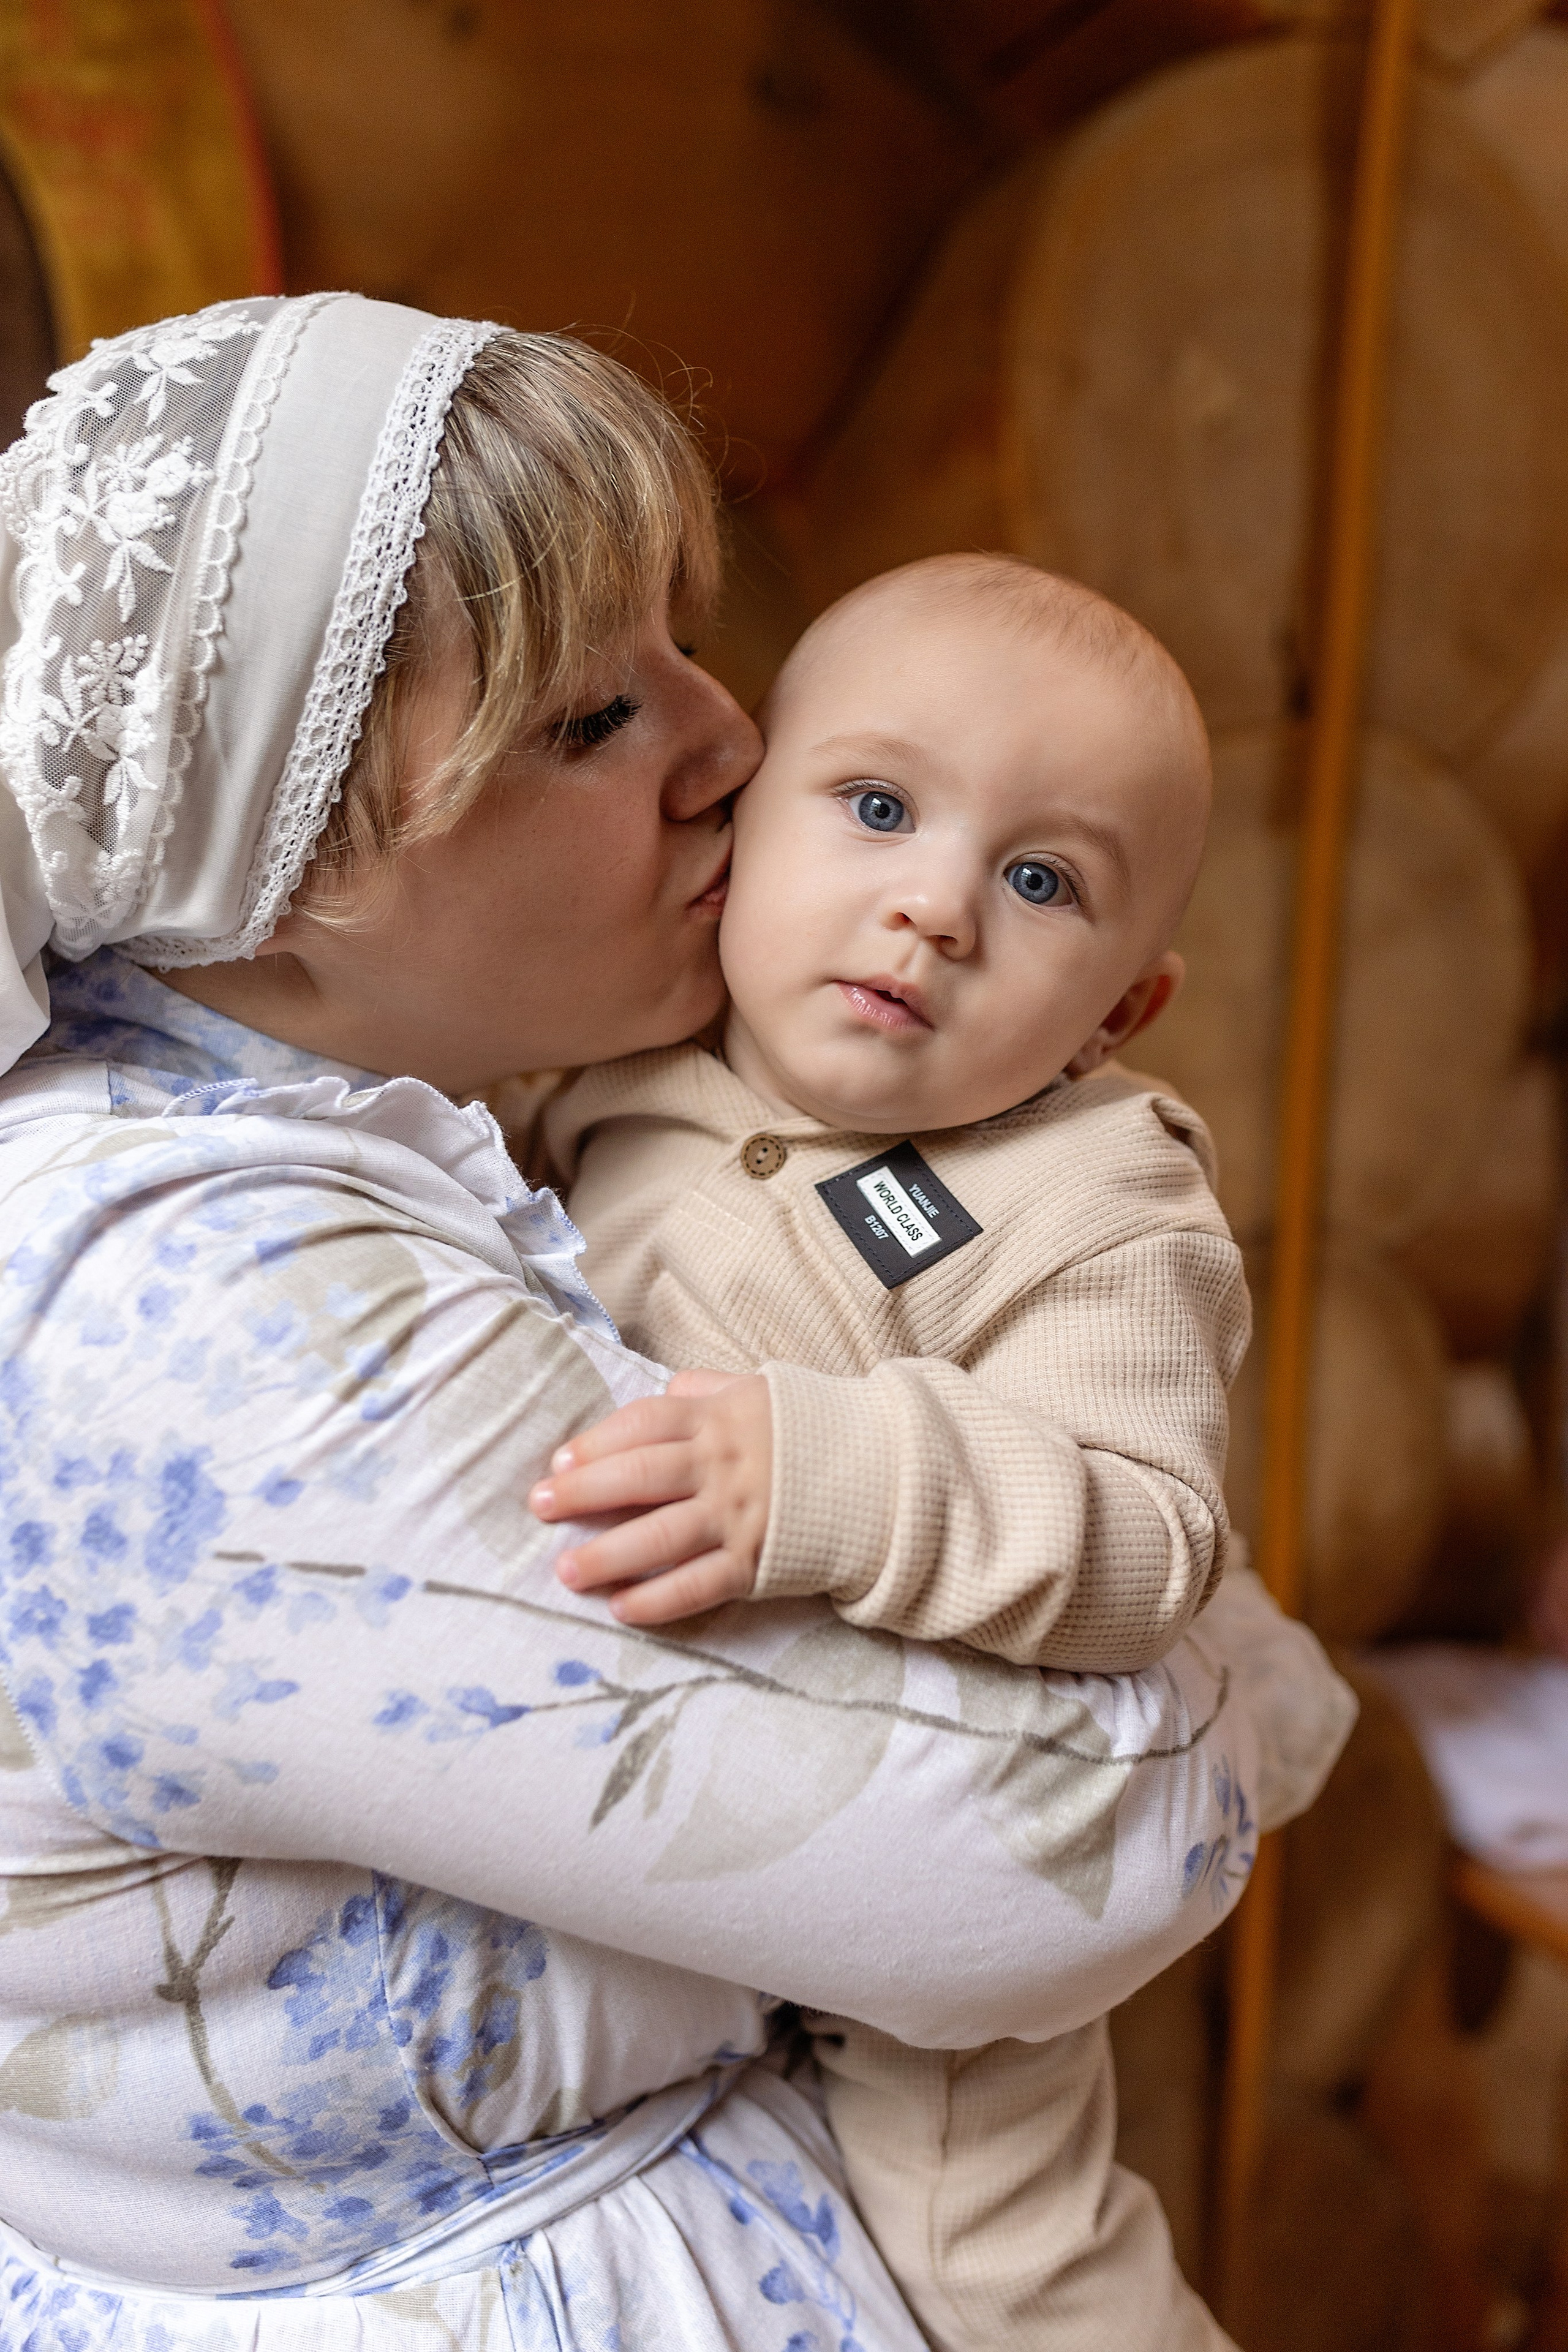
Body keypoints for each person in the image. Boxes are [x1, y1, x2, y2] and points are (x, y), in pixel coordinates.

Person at [0, 293, 1353, 2352]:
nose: (733, 743)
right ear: (284, 854)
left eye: (689, 644)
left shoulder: (409, 1122)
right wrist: (1231, 1675)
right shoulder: (225, 1320)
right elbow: (1091, 1849)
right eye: (591, 719)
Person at [535, 554, 1249, 2350]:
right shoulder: (617, 1053)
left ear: (1116, 1018)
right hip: (642, 1881)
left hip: (929, 1921)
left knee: (1007, 2276)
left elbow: (1150, 1535)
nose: (934, 906)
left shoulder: (1098, 1196)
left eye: (1039, 879)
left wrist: (829, 1477)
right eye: (874, 807)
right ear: (744, 827)